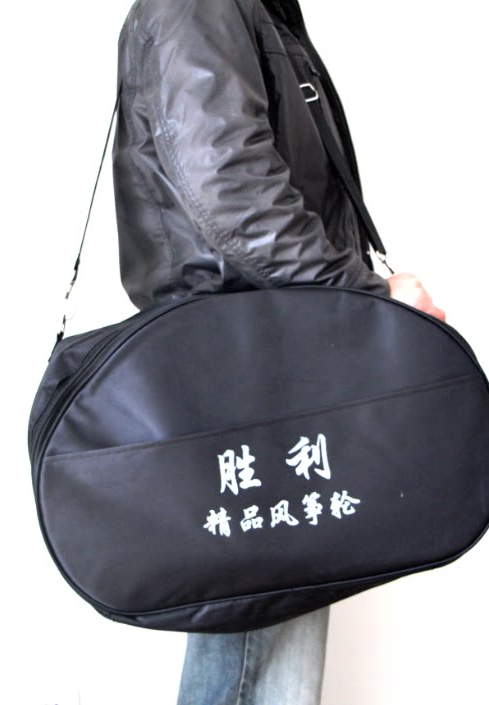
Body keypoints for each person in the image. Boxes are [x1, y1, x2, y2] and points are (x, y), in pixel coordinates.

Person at [112, 0, 445, 703]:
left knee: (273, 618)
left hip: (273, 352)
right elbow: (230, 193)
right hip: (253, 364)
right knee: (256, 635)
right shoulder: (202, 5)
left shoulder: (253, 9)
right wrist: (366, 293)